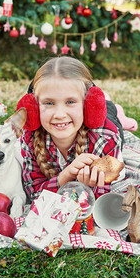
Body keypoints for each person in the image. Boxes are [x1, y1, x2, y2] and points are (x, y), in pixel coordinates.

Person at [17, 56, 124, 201]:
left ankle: (111, 106)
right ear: (34, 107)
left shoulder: (106, 137)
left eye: (70, 101)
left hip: (106, 122)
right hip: (76, 121)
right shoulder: (30, 136)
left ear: (86, 103)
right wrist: (66, 176)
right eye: (49, 103)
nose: (60, 115)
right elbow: (34, 194)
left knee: (110, 110)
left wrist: (87, 186)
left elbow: (106, 197)